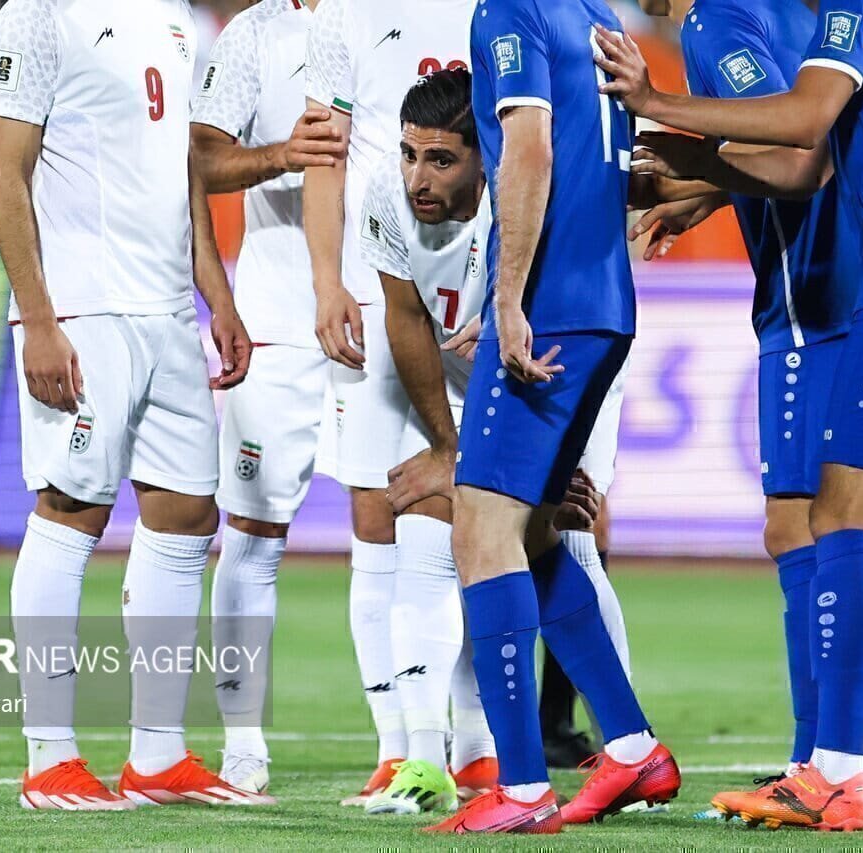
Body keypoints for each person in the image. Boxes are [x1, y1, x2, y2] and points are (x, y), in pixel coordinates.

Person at [596, 0, 863, 830]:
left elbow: (803, 128)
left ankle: (834, 770)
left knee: (840, 513)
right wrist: (705, 180)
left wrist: (654, 105)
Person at [0, 0, 260, 810]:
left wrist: (216, 291)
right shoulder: (37, 15)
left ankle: (157, 755)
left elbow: (182, 171)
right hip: (82, 306)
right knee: (70, 508)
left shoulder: (176, 18)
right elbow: (4, 171)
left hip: (168, 306)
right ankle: (49, 756)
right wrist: (37, 316)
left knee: (186, 512)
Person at [427, 0, 682, 834]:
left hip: (556, 303)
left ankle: (524, 786)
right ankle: (633, 743)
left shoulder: (512, 11)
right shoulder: (593, 12)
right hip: (604, 300)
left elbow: (528, 151)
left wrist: (507, 296)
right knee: (531, 528)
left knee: (480, 526)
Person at [358, 68, 634, 817]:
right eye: (409, 154)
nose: (418, 175)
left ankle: (620, 750)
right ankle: (425, 756)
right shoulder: (385, 196)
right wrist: (453, 451)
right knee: (425, 526)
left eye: (440, 159)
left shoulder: (524, 199)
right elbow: (408, 321)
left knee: (560, 535)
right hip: (466, 374)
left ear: (486, 155)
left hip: (552, 364)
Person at [301, 0, 478, 806]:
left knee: (488, 521)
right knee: (383, 511)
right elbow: (324, 153)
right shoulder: (345, 15)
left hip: (479, 277)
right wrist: (326, 278)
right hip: (384, 279)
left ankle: (473, 748)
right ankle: (399, 746)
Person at [188, 0, 347, 796]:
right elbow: (198, 159)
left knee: (417, 525)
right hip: (281, 322)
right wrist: (283, 153)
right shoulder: (252, 34)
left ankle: (435, 743)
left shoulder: (399, 16)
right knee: (252, 532)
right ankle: (243, 743)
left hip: (392, 313)